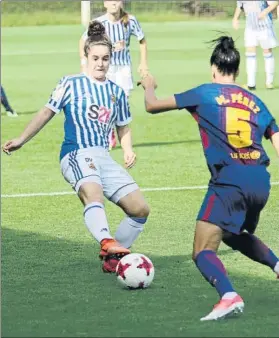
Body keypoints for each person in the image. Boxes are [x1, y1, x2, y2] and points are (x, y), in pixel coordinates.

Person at [138, 36, 279, 321]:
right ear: (237, 72)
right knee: (232, 233)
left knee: (202, 250)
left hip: (229, 181)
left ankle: (228, 295)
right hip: (259, 182)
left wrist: (149, 85)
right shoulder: (255, 102)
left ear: (213, 68)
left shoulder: (204, 93)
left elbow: (152, 106)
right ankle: (277, 265)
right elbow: (276, 137)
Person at [2, 21, 150, 274]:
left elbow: (123, 126)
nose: (100, 63)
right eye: (95, 58)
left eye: (105, 58)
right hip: (76, 153)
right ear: (86, 57)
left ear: (111, 59)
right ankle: (106, 242)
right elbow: (46, 113)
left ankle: (113, 258)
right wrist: (21, 139)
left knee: (139, 209)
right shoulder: (70, 84)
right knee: (93, 193)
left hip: (103, 156)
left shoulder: (116, 93)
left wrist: (127, 149)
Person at [79, 0, 149, 148]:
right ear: (105, 3)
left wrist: (143, 63)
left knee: (121, 101)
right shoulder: (99, 22)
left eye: (117, 0)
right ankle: (109, 132)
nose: (114, 3)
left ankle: (114, 130)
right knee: (105, 100)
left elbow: (142, 40)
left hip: (124, 67)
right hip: (106, 67)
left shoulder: (130, 20)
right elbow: (83, 40)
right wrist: (84, 63)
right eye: (110, 1)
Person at [232, 0, 279, 90]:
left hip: (265, 26)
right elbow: (239, 5)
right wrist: (235, 18)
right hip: (250, 27)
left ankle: (269, 82)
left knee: (267, 52)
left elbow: (275, 2)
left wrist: (265, 11)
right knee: (250, 53)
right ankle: (251, 84)